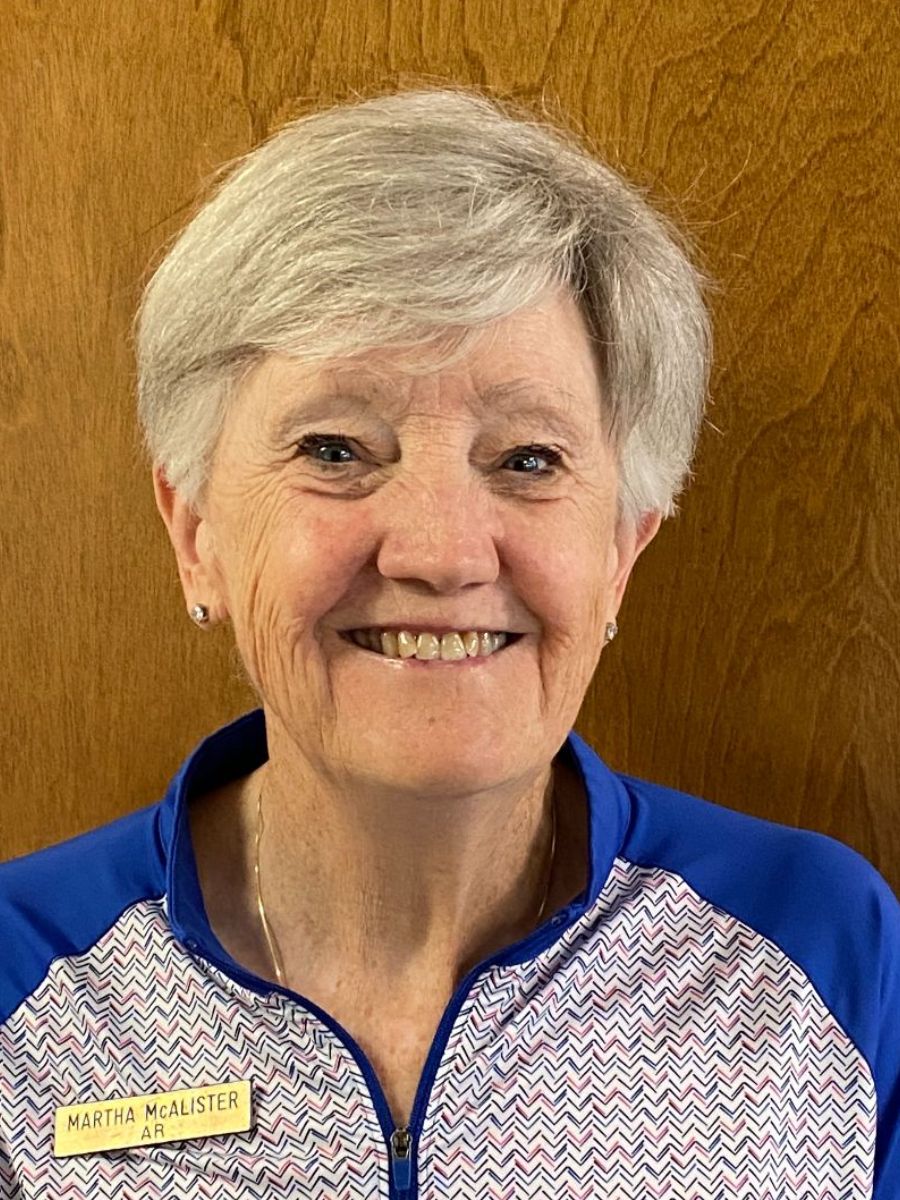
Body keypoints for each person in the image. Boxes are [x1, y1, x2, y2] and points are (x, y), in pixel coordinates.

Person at [1, 84, 897, 1199]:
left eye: (528, 459)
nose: (439, 551)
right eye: (336, 449)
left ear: (621, 554)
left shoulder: (819, 951)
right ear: (197, 536)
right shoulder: (23, 980)